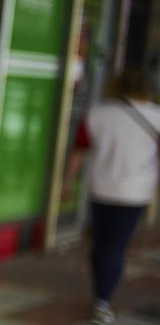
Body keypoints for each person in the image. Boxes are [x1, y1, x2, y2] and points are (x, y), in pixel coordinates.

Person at [65, 68, 160, 325]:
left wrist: (67, 183)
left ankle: (101, 292)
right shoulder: (157, 116)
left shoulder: (97, 114)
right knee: (115, 245)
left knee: (102, 243)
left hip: (101, 189)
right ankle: (102, 300)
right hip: (135, 193)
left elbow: (78, 152)